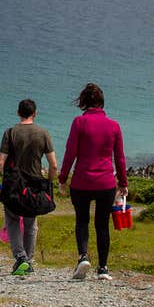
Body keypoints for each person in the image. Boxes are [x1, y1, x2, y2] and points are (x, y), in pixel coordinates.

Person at [58, 82, 127, 281]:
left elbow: (70, 153)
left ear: (83, 102)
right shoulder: (114, 126)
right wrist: (123, 182)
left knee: (82, 221)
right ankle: (103, 268)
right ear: (102, 103)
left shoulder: (79, 122)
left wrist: (63, 178)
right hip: (106, 182)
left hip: (81, 181)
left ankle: (83, 257)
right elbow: (120, 157)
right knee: (102, 225)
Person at [0, 98, 57, 276]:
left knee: (12, 220)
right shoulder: (43, 133)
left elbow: (0, 161)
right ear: (34, 113)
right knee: (30, 223)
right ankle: (29, 259)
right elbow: (53, 165)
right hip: (35, 185)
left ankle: (20, 257)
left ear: (18, 113)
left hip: (12, 184)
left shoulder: (10, 132)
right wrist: (50, 183)